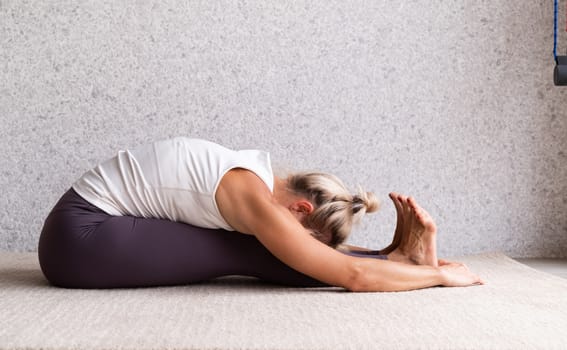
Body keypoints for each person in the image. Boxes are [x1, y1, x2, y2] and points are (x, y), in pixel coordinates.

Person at [38, 137, 483, 291]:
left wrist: (386, 254)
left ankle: (397, 258)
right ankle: (402, 262)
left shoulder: (255, 175)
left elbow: (339, 266)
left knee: (254, 247)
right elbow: (352, 277)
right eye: (309, 237)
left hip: (84, 232)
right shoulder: (248, 193)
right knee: (250, 251)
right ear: (302, 208)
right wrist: (439, 276)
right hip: (80, 239)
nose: (301, 245)